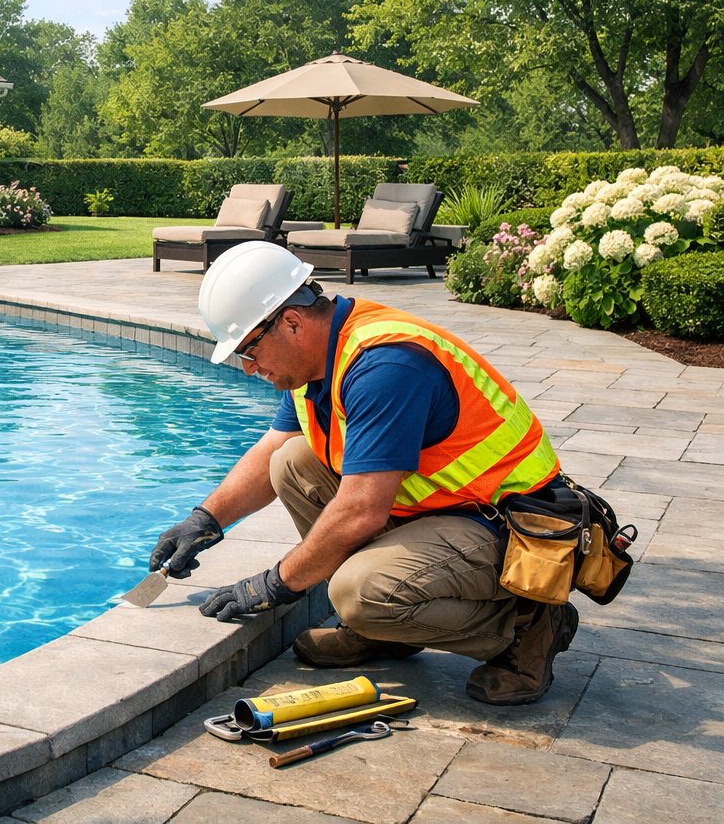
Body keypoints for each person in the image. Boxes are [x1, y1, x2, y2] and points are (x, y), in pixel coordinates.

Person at [149, 241, 578, 705]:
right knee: (291, 462)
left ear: (291, 322)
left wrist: (274, 584)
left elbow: (362, 511)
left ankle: (524, 626)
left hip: (508, 528)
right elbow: (273, 446)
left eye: (249, 351)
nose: (249, 368)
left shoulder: (384, 365)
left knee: (358, 591)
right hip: (443, 511)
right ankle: (388, 628)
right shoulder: (318, 358)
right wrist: (205, 519)